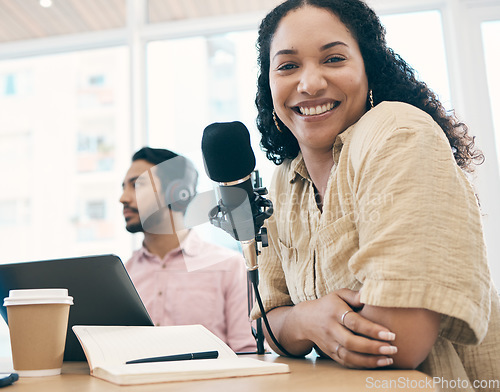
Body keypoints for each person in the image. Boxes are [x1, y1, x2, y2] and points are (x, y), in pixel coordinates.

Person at [250, 0, 500, 386]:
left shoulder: (398, 134)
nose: (310, 83)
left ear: (369, 68)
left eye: (333, 59)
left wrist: (299, 325)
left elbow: (398, 341)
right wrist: (307, 318)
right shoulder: (284, 180)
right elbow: (268, 323)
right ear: (269, 84)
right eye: (287, 65)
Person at [120, 147, 256, 353]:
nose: (123, 198)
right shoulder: (123, 275)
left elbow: (247, 352)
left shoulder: (229, 266)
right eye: (123, 188)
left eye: (136, 185)